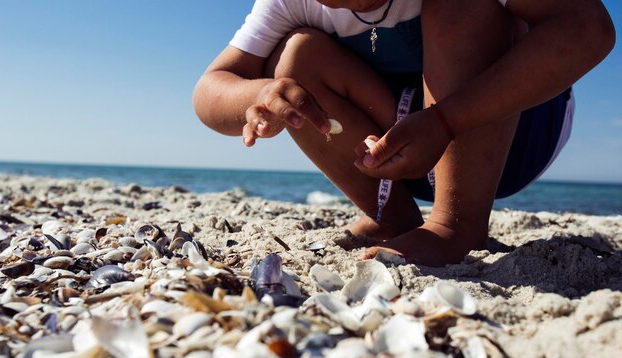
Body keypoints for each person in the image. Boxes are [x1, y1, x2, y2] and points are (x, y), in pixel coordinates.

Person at [193, 0, 615, 266]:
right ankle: (393, 217)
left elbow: (589, 29)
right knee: (297, 55)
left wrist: (446, 121)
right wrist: (262, 94)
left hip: (513, 136)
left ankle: (454, 224)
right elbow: (210, 88)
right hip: (396, 151)